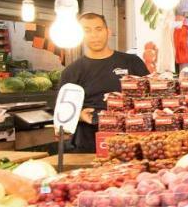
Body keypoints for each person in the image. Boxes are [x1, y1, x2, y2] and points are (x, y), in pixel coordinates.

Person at [59, 13, 149, 152]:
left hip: (131, 140)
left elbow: (151, 97)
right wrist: (79, 116)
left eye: (98, 29)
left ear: (108, 32)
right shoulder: (71, 72)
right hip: (89, 144)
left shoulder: (132, 62)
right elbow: (62, 113)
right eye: (86, 30)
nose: (94, 35)